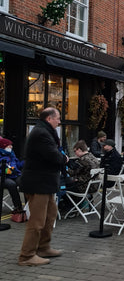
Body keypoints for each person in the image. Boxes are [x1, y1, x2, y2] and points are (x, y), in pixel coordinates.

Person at [18, 107, 68, 267]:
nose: (59, 122)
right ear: (49, 119)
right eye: (58, 118)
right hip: (37, 183)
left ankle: (43, 248)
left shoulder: (44, 132)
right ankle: (26, 256)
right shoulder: (41, 133)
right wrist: (64, 158)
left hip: (45, 183)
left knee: (50, 216)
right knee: (37, 221)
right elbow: (54, 155)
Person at [0, 137, 24, 212]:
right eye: (8, 145)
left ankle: (29, 205)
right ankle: (18, 207)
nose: (11, 147)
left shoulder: (12, 155)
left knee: (24, 181)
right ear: (3, 147)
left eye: (11, 145)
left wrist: (25, 162)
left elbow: (18, 165)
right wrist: (5, 170)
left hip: (15, 175)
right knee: (12, 184)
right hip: (3, 177)